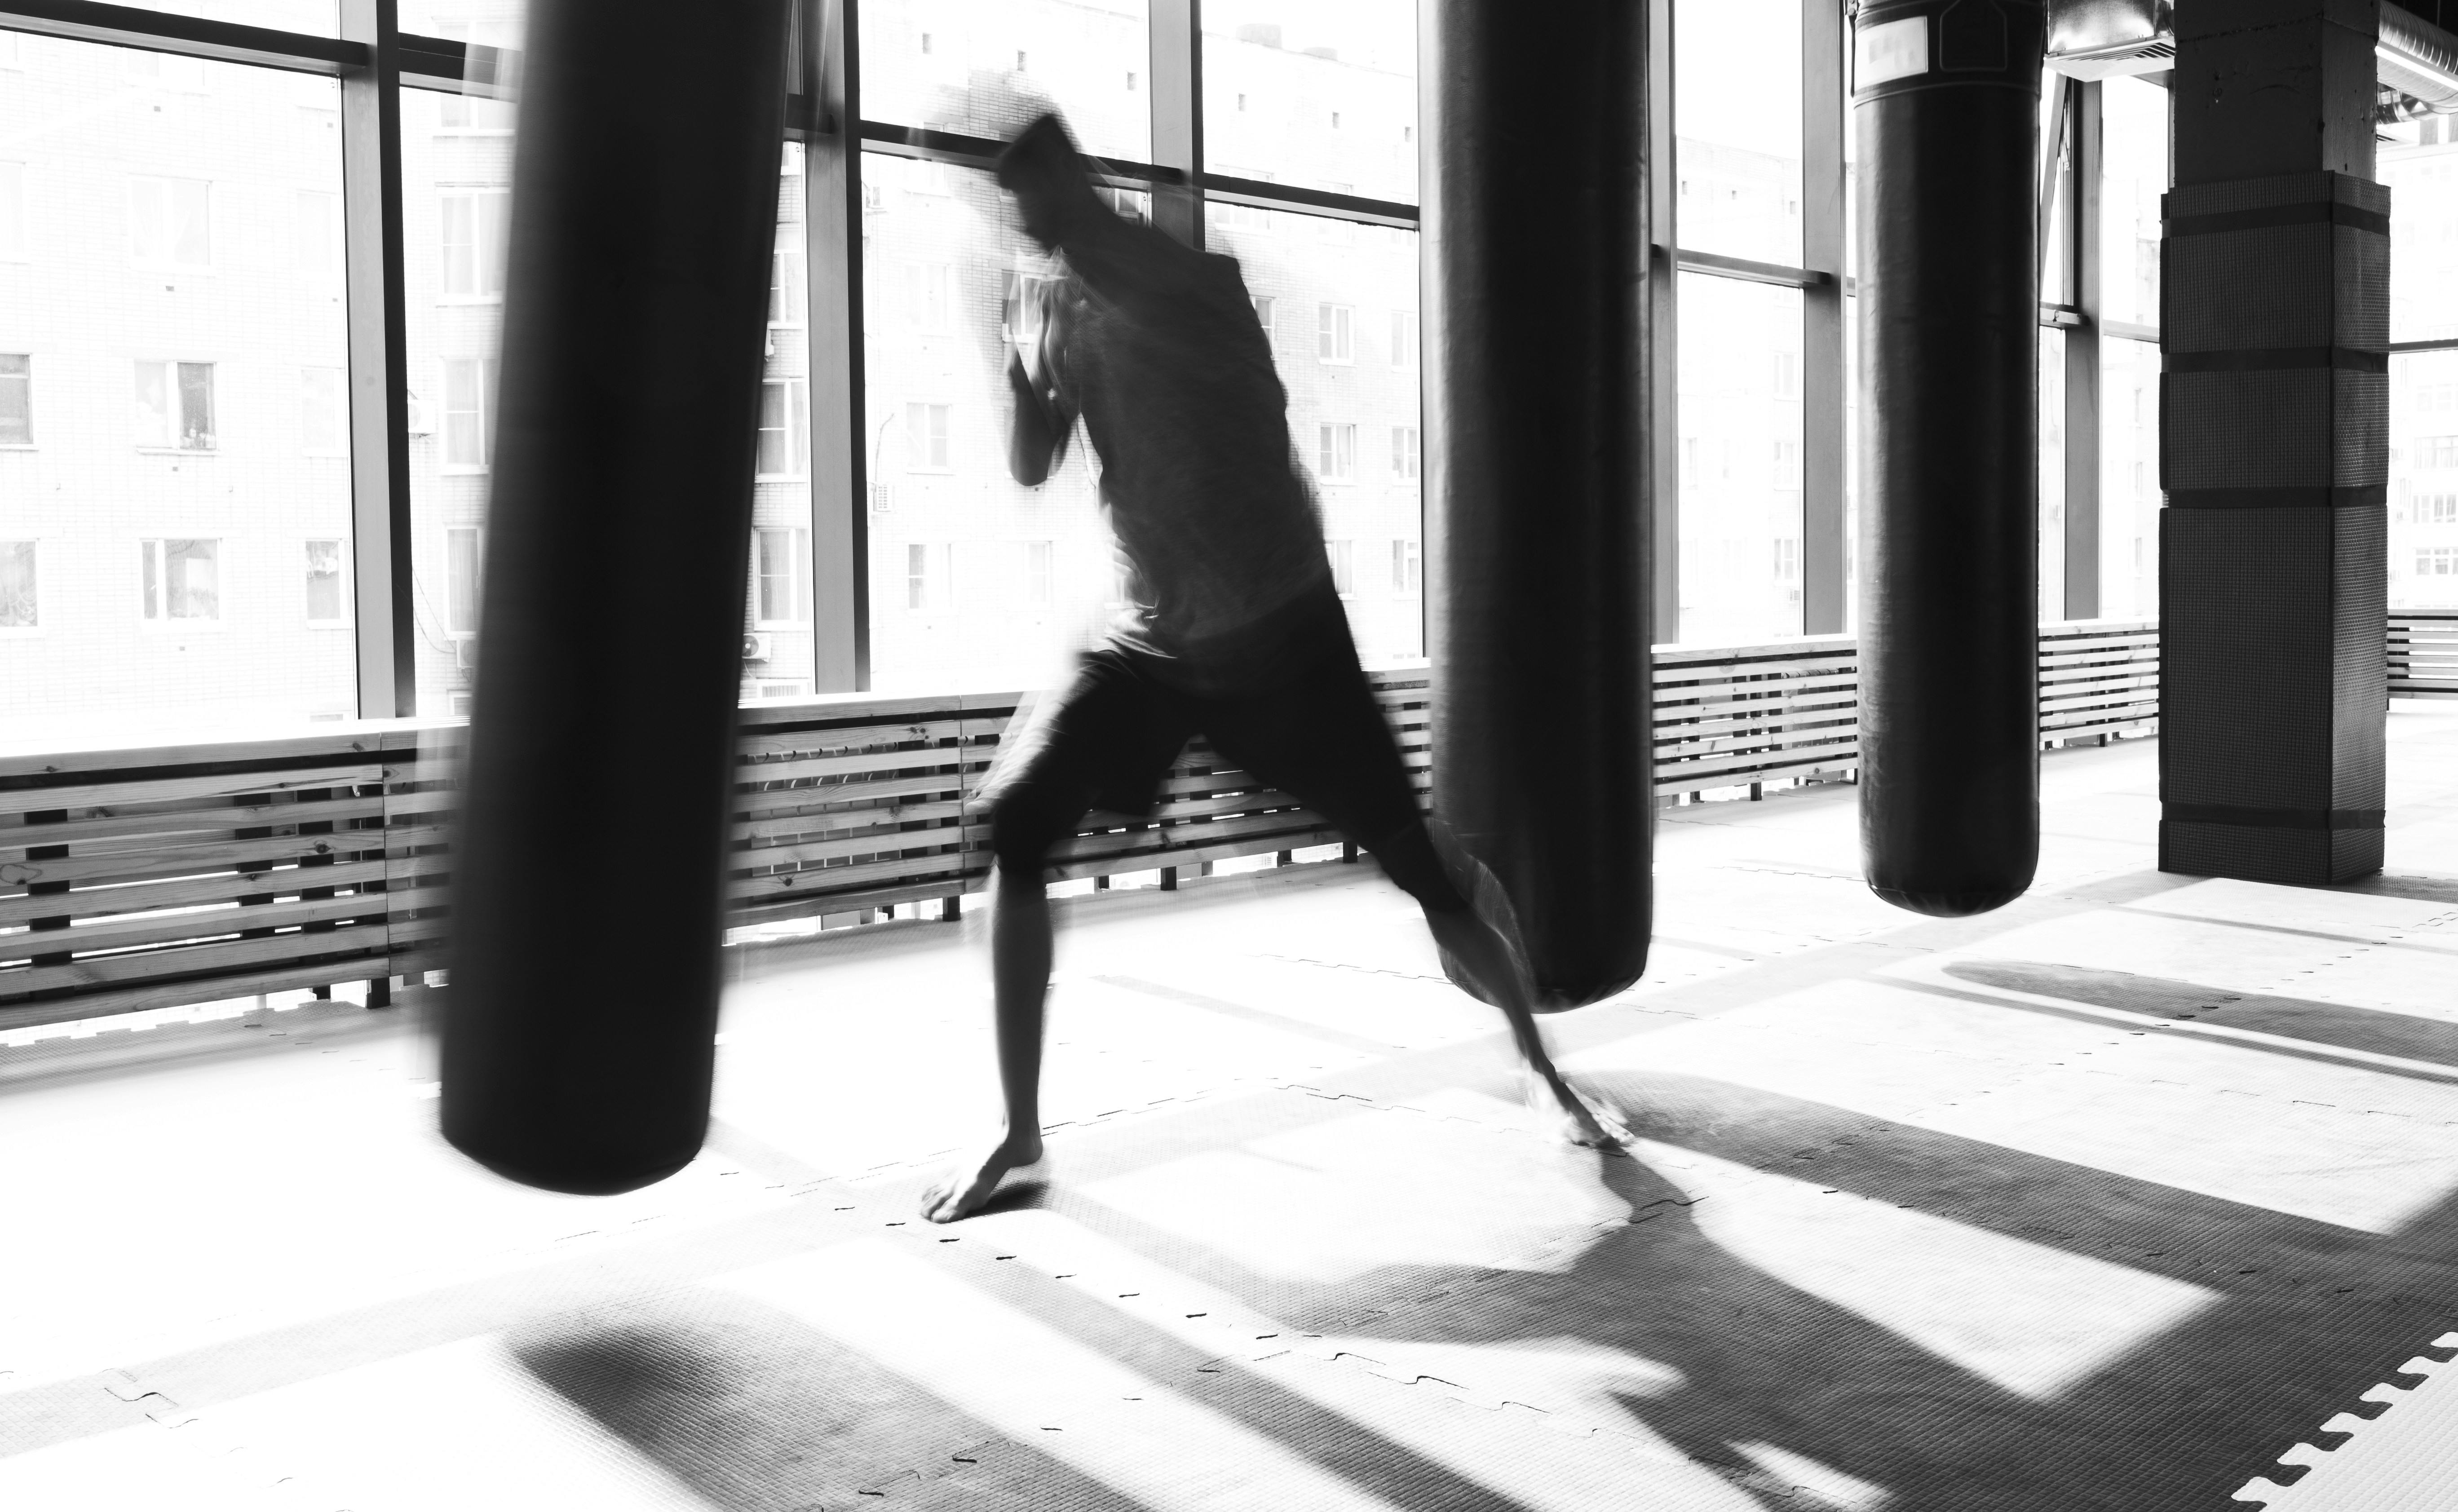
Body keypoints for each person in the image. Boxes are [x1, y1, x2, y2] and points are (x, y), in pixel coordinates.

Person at [920, 113, 1618, 1225]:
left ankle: (1539, 1064)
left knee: (1424, 873)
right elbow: (1034, 461)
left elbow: (1201, 363)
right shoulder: (1050, 296)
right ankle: (1019, 1130)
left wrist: (1067, 262)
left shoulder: (1192, 281)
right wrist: (1017, 367)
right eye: (1018, 205)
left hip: (1283, 629)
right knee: (1015, 826)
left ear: (1077, 184)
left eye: (1039, 195)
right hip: (1151, 637)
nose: (1029, 221)